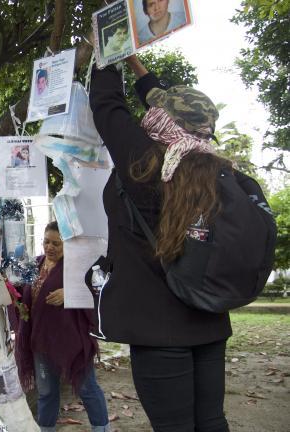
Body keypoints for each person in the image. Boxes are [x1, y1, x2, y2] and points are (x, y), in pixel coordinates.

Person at [89, 55, 231, 431]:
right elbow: (168, 106)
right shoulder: (217, 170)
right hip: (210, 318)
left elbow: (107, 105)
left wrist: (109, 46)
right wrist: (138, 69)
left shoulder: (145, 162)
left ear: (161, 120)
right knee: (212, 421)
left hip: (157, 328)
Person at [15, 222, 110, 432]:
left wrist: (70, 294)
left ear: (67, 246)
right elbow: (22, 293)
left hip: (72, 341)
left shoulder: (77, 268)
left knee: (87, 388)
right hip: (40, 341)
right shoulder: (36, 264)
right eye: (46, 241)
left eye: (56, 244)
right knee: (46, 392)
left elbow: (98, 292)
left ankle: (102, 428)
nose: (50, 247)